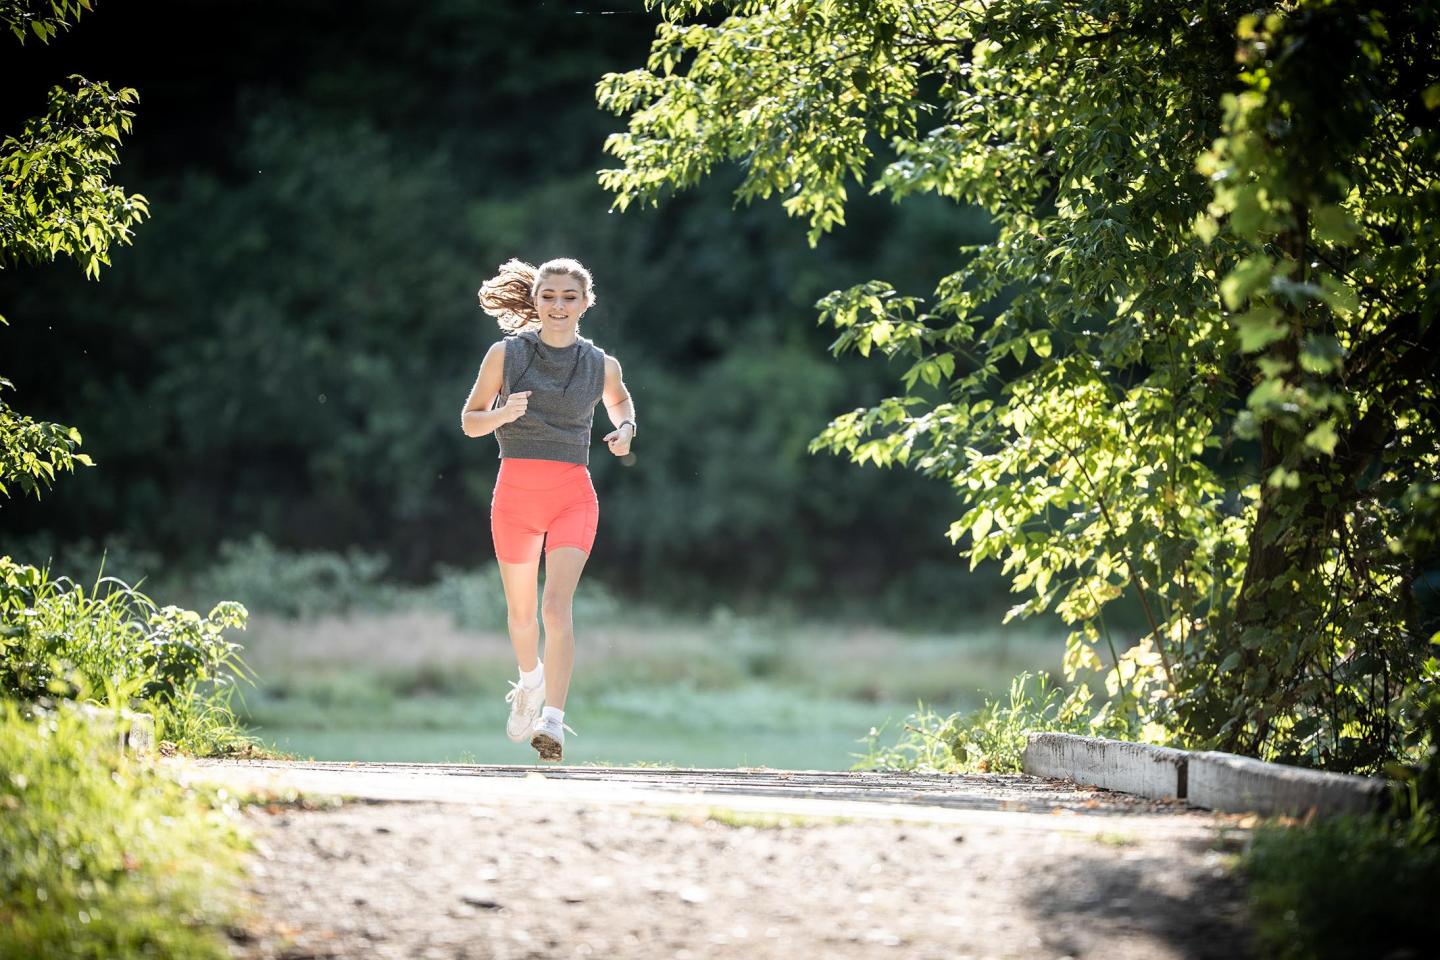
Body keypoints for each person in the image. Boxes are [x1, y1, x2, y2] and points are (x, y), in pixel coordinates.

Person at [460, 257, 635, 762]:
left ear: (585, 303)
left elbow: (620, 402)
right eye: (549, 296)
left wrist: (625, 431)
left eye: (569, 297)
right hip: (514, 496)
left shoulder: (601, 363)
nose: (558, 306)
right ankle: (530, 680)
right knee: (520, 615)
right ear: (534, 301)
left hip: (571, 497)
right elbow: (469, 422)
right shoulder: (506, 354)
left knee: (555, 608)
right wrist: (502, 413)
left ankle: (553, 723)